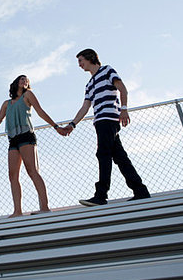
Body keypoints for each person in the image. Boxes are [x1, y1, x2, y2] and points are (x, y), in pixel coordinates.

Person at [61, 49, 150, 206]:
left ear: (90, 58)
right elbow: (85, 107)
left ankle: (101, 195)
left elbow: (122, 88)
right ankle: (140, 190)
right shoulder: (89, 85)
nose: (80, 65)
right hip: (99, 121)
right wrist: (72, 124)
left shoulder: (107, 70)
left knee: (103, 154)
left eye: (81, 61)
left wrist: (124, 109)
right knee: (120, 157)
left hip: (108, 119)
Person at [0, 75, 66, 217]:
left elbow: (40, 111)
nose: (25, 82)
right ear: (16, 83)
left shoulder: (28, 95)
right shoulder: (7, 104)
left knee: (32, 171)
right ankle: (17, 211)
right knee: (12, 175)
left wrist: (55, 126)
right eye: (22, 79)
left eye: (27, 80)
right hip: (13, 139)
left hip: (26, 136)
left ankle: (44, 207)